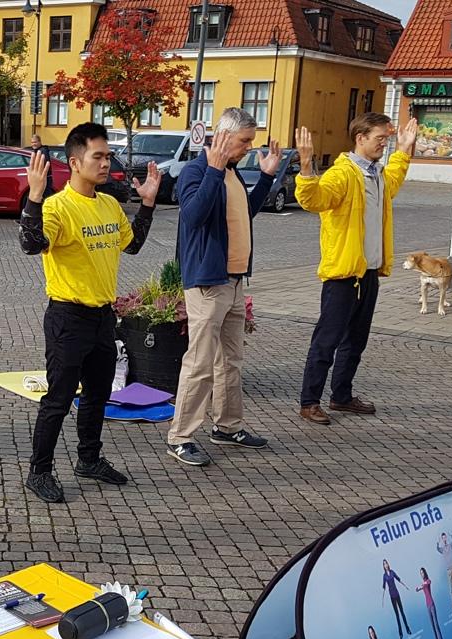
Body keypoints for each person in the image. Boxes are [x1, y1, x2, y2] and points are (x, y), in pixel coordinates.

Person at [18, 122, 160, 503]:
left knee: (98, 394)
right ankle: (39, 471)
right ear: (74, 162)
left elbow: (133, 246)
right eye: (98, 156)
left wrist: (147, 202)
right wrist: (33, 198)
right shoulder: (58, 206)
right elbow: (31, 245)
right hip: (68, 317)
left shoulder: (110, 204)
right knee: (58, 400)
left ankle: (89, 459)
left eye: (107, 156)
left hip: (102, 318)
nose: (105, 163)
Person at [165, 108, 279, 466]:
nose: (248, 147)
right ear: (224, 136)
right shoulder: (197, 172)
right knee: (199, 361)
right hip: (207, 283)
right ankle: (180, 436)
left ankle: (227, 426)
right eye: (245, 141)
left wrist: (265, 178)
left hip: (233, 281)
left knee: (231, 360)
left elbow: (244, 214)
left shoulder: (230, 173)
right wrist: (214, 170)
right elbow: (195, 215)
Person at [294, 113, 418, 425]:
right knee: (327, 340)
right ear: (360, 138)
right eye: (380, 138)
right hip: (343, 274)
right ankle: (310, 402)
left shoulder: (377, 174)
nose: (383, 144)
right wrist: (307, 166)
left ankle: (342, 396)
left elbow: (394, 181)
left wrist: (403, 151)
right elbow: (313, 199)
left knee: (356, 340)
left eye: (386, 139)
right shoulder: (343, 174)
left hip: (369, 272)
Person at [380, 559, 412, 639]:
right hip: (392, 596)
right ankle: (400, 633)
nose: (385, 565)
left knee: (402, 612)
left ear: (388, 564)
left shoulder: (392, 572)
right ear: (383, 566)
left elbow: (398, 579)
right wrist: (382, 599)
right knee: (397, 615)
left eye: (386, 563)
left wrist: (405, 586)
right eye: (384, 564)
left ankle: (407, 629)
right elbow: (384, 587)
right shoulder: (384, 576)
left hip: (397, 594)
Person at [416, 567, 444, 639]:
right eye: (420, 573)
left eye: (422, 572)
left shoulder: (427, 581)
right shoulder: (423, 583)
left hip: (432, 604)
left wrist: (421, 586)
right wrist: (418, 588)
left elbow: (428, 583)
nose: (422, 574)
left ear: (425, 573)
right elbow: (417, 589)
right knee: (432, 625)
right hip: (427, 606)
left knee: (436, 624)